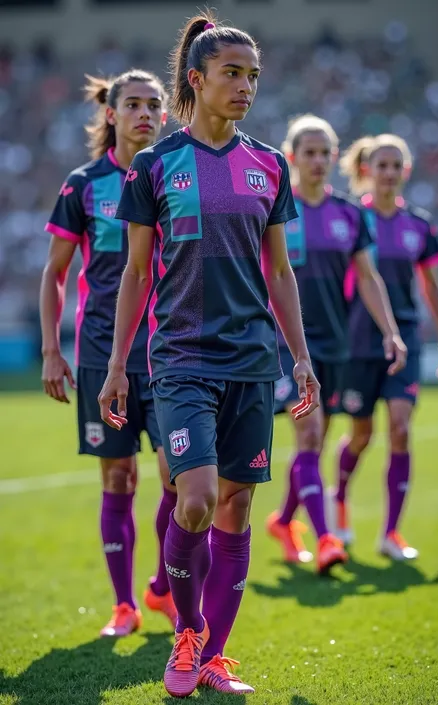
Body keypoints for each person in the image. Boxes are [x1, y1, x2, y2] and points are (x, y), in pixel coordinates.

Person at [98, 12, 320, 698]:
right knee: (191, 501)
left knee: (235, 508)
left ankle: (213, 652)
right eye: (232, 73)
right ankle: (188, 629)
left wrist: (300, 357)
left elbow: (280, 272)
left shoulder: (269, 165)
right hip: (181, 360)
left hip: (253, 363)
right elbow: (136, 273)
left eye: (252, 75)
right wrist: (115, 365)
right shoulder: (156, 167)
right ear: (196, 80)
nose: (246, 86)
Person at [40, 69, 178, 638]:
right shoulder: (84, 184)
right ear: (111, 114)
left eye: (154, 105)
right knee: (118, 477)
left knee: (179, 481)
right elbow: (55, 273)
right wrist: (52, 350)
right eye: (133, 104)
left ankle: (164, 589)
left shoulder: (181, 175)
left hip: (173, 353)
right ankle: (125, 605)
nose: (144, 113)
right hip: (103, 355)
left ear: (166, 115)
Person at [265, 115, 406, 573]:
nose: (319, 160)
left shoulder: (349, 213)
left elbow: (368, 277)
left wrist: (390, 331)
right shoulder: (274, 210)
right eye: (310, 152)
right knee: (309, 433)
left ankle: (285, 521)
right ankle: (326, 538)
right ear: (292, 158)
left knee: (317, 440)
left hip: (335, 345)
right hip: (286, 345)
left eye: (326, 152)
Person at [330, 134, 438, 559]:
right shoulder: (348, 219)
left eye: (395, 165)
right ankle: (340, 505)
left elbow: (432, 285)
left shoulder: (419, 226)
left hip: (405, 341)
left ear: (405, 171)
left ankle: (391, 534)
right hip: (357, 344)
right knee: (361, 435)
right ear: (366, 169)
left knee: (400, 429)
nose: (388, 172)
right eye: (381, 164)